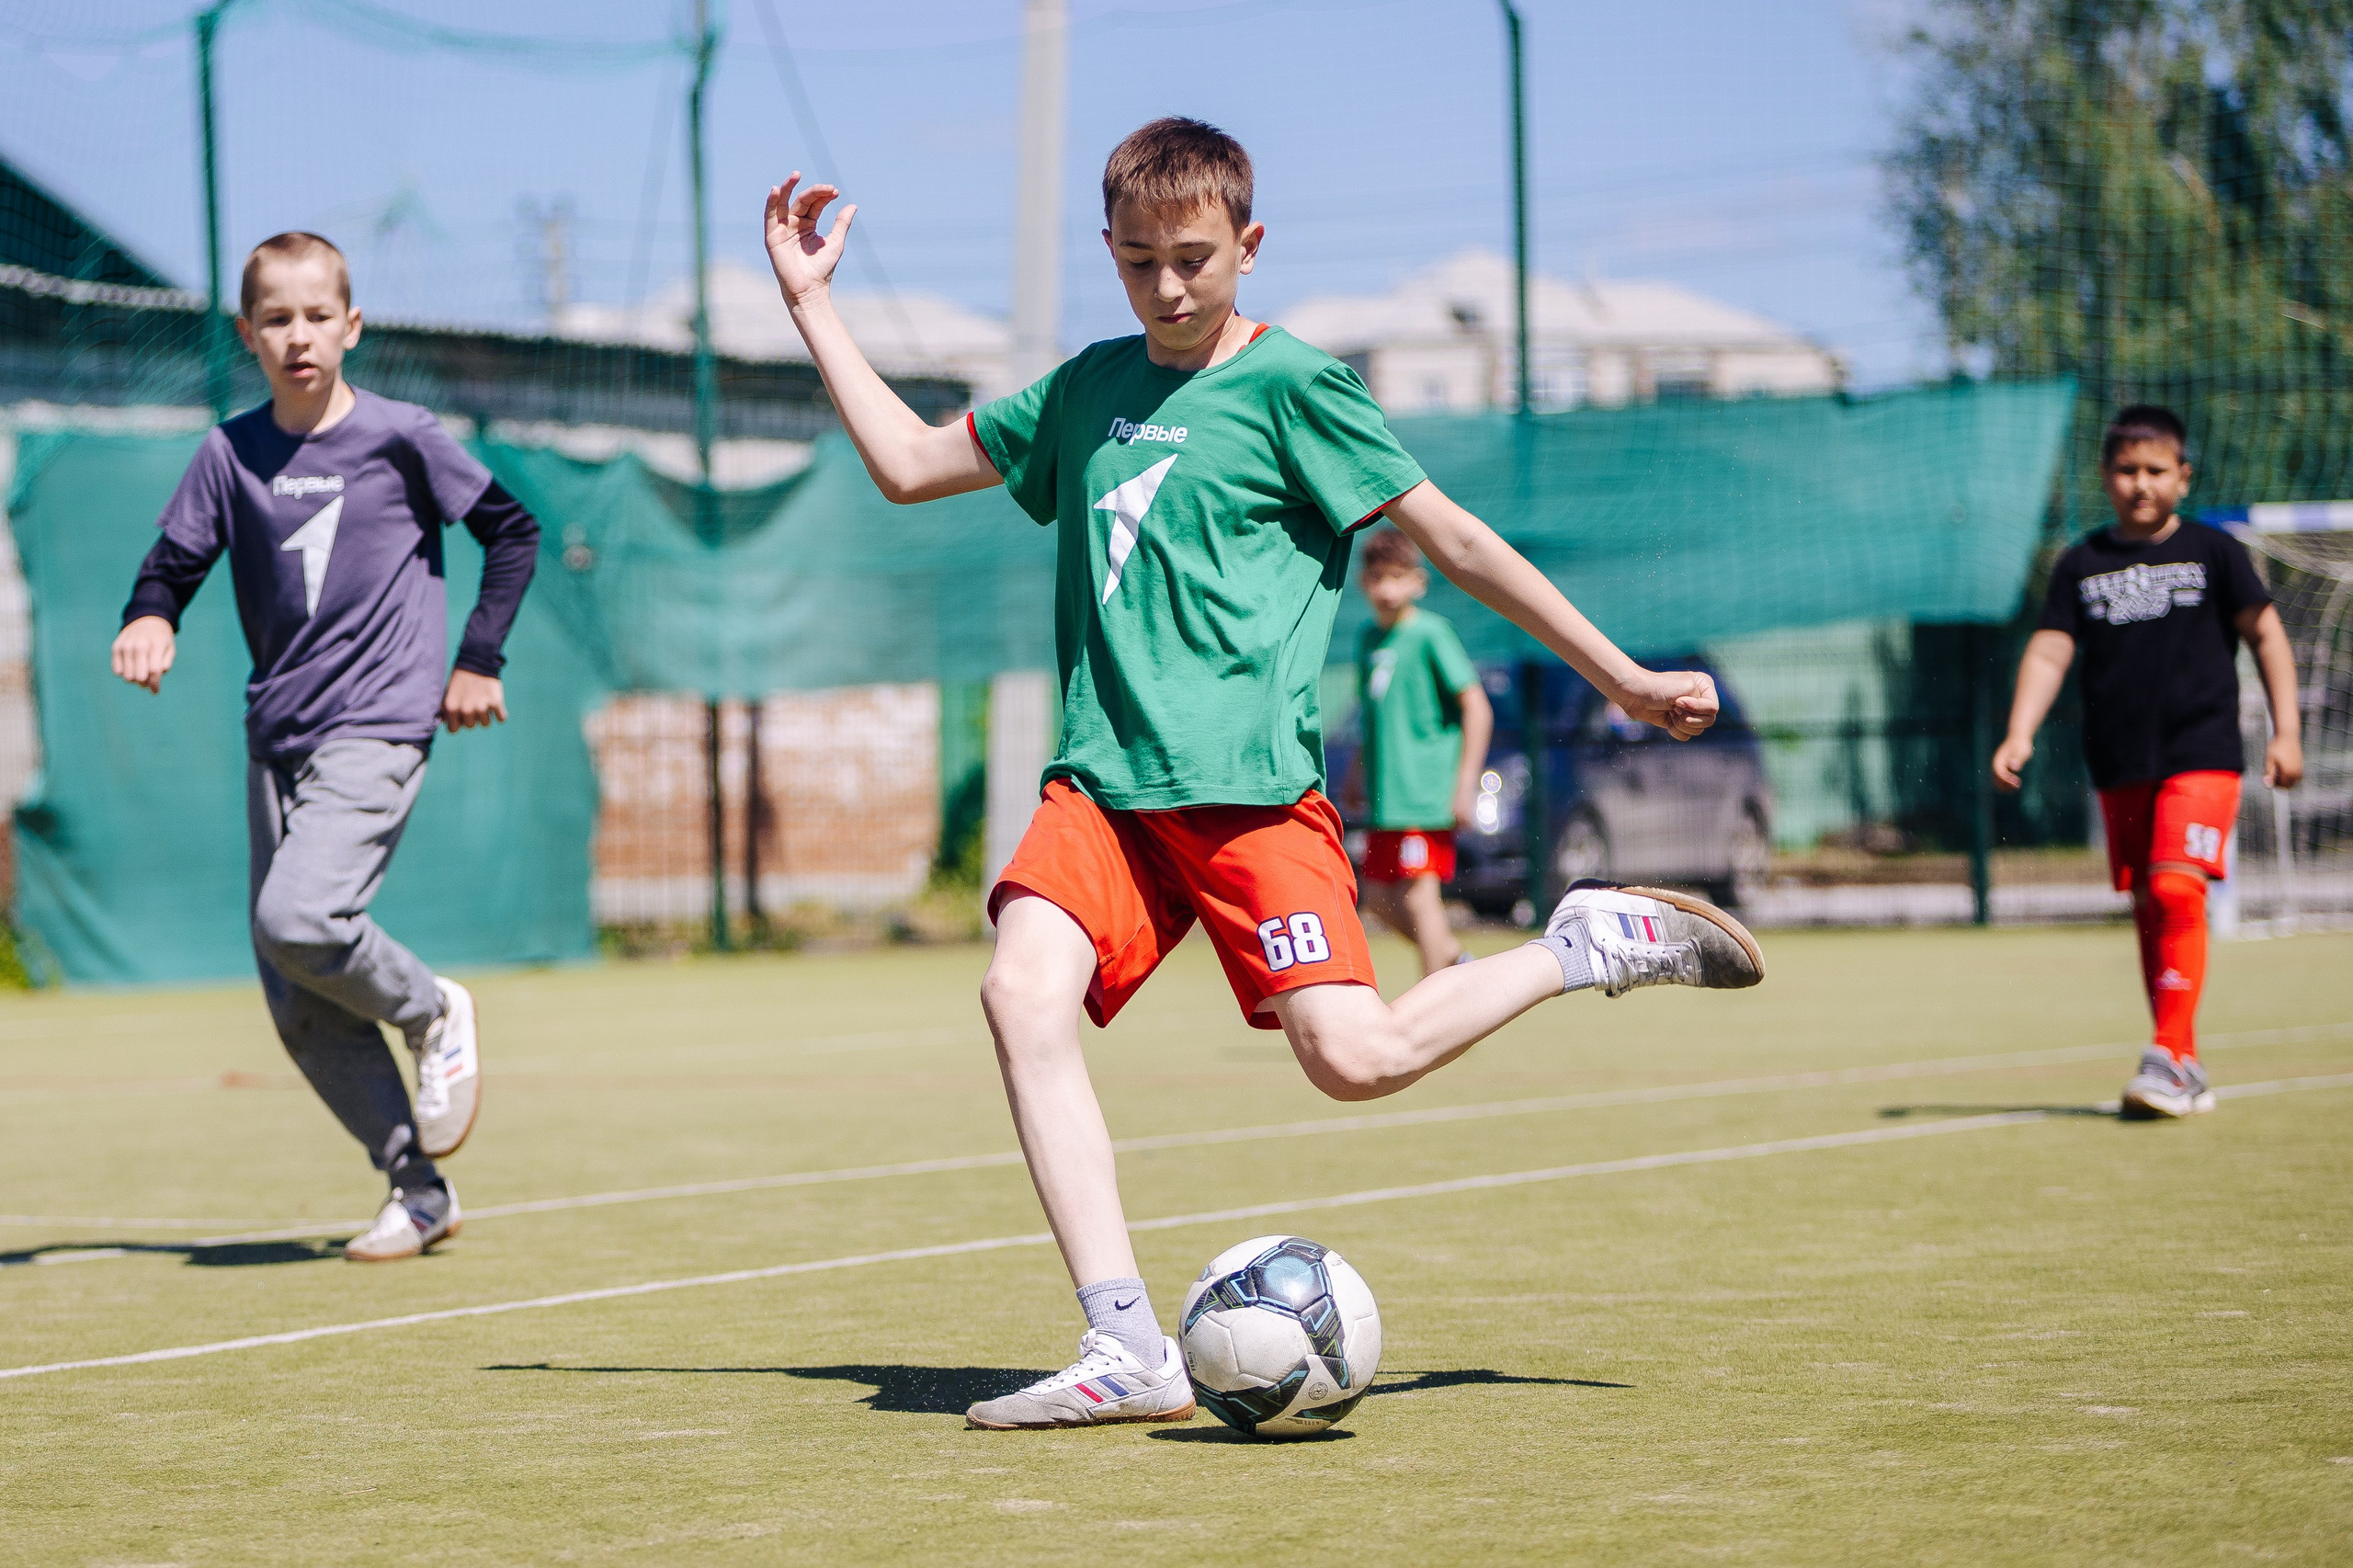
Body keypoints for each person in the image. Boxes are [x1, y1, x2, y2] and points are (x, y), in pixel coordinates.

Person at [762, 117, 1763, 1430]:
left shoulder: (1298, 386)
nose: (1167, 290)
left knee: (1353, 1060)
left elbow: (1450, 537)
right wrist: (810, 305)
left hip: (1249, 799)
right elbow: (904, 465)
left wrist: (1619, 675)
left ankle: (1582, 943)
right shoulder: (1081, 391)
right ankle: (1125, 1346)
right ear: (1109, 255)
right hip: (1104, 792)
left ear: (1249, 244)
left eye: (1192, 259)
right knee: (1019, 993)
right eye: (1136, 264)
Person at [109, 232, 540, 1259]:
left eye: (317, 315)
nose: (298, 336)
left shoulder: (403, 436)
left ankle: (433, 1007)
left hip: (379, 719)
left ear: (351, 326)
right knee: (295, 993)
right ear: (248, 335)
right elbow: (173, 561)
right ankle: (418, 1188)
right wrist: (150, 614)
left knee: (299, 914)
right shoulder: (229, 451)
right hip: (278, 734)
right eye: (276, 318)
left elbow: (513, 530)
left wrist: (479, 658)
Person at [1993, 404, 2302, 1119]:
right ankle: (2182, 1061)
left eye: (2155, 470)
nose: (2140, 484)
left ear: (2183, 477)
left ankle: (2164, 1055)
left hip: (2202, 753)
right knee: (2148, 907)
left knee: (2174, 889)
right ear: (2106, 477)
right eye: (2127, 470)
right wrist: (2019, 730)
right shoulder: (2081, 563)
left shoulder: (2214, 550)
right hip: (2121, 760)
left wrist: (2287, 731)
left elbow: (2268, 635)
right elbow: (2048, 650)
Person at [1347, 526, 1492, 975]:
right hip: (1388, 800)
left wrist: (1464, 783)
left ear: (1418, 582)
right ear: (1363, 583)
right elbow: (1373, 721)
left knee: (1418, 897)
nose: (1386, 589)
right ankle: (1455, 960)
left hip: (1425, 794)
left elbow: (1477, 709)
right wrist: (1357, 773)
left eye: (1397, 576)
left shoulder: (1431, 634)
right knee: (1375, 897)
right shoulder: (1368, 640)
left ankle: (1432, 1013)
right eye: (1377, 578)